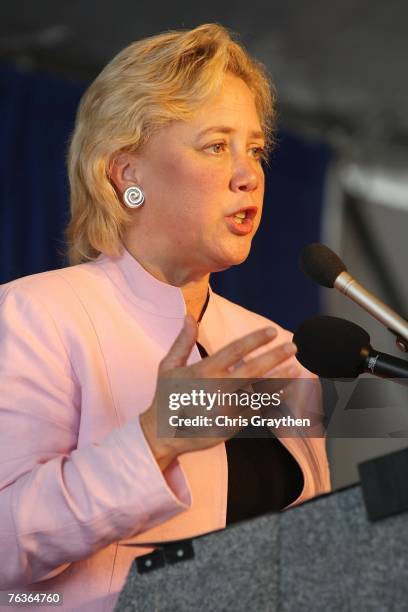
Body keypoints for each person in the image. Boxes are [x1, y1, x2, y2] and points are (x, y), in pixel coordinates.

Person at [0, 23, 330, 611]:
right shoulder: (39, 314)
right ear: (125, 174)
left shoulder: (275, 347)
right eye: (215, 145)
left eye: (255, 148)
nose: (248, 172)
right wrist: (154, 439)